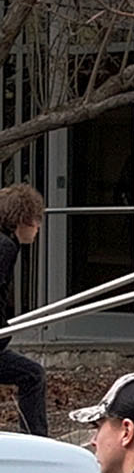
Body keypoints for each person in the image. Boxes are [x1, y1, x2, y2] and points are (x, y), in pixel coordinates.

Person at [1, 181, 46, 434]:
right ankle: (38, 443)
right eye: (35, 220)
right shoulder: (5, 247)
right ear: (21, 220)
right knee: (33, 376)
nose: (38, 228)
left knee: (32, 374)